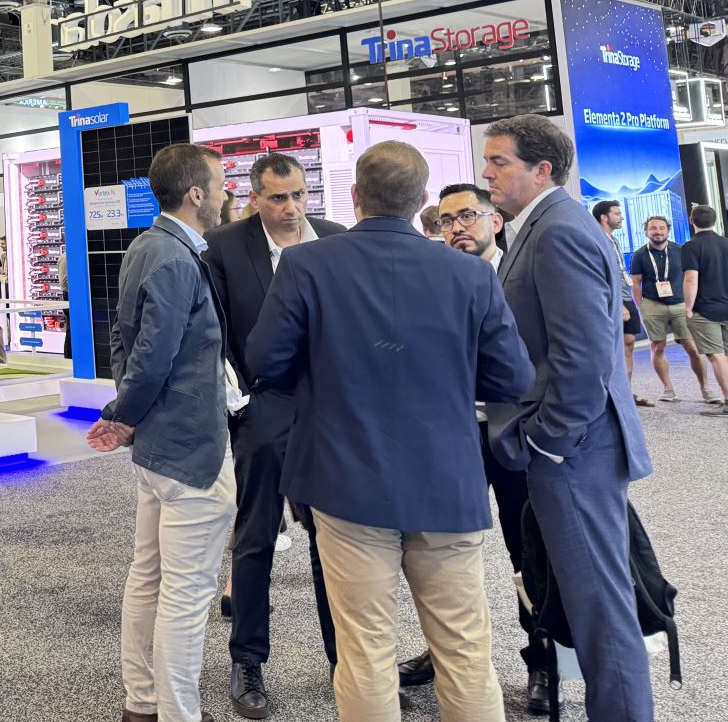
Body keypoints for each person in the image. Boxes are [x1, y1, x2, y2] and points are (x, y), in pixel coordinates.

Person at [249, 142, 534, 722]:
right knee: (464, 649)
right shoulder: (470, 274)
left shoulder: (306, 265)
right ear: (422, 199)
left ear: (356, 196)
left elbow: (265, 359)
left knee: (364, 650)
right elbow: (514, 378)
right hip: (446, 483)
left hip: (344, 480)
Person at [482, 114, 655, 721]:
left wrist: (548, 441)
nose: (486, 172)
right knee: (591, 604)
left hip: (576, 451)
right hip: (574, 447)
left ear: (542, 169)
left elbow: (582, 356)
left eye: (499, 161)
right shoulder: (545, 225)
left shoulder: (557, 231)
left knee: (600, 608)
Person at [85, 143, 235, 722]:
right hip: (189, 447)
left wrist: (128, 413)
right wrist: (124, 414)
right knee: (186, 594)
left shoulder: (148, 246)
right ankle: (176, 713)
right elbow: (152, 357)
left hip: (160, 445)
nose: (225, 194)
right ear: (196, 194)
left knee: (148, 576)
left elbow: (123, 340)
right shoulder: (175, 257)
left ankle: (143, 704)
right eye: (219, 184)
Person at [398, 184, 554, 713]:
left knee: (526, 550)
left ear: (495, 220)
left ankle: (542, 662)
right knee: (438, 552)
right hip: (451, 435)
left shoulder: (523, 276)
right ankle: (444, 652)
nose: (457, 227)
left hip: (513, 434)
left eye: (467, 215)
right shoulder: (434, 278)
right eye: (446, 220)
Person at [201, 152, 344, 718]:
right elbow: (216, 333)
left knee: (333, 540)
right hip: (264, 405)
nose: (291, 208)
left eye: (298, 195)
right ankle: (248, 661)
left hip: (331, 409)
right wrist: (243, 402)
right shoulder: (224, 246)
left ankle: (346, 662)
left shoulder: (334, 238)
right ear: (255, 197)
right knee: (255, 536)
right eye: (278, 197)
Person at [630, 214, 717, 404]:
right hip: (653, 304)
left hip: (680, 304)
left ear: (668, 230)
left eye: (662, 228)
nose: (658, 232)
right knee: (657, 346)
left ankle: (706, 389)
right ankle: (668, 389)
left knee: (693, 347)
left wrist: (693, 304)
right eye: (653, 228)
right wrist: (640, 307)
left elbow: (692, 277)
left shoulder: (682, 251)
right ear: (646, 232)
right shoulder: (639, 255)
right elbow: (636, 283)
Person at [593, 200, 651, 406]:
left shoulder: (614, 240)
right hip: (614, 301)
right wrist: (618, 304)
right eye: (617, 213)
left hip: (626, 296)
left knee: (629, 343)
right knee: (613, 348)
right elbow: (601, 275)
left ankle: (625, 392)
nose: (621, 217)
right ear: (604, 217)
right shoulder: (596, 240)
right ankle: (610, 394)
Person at [682, 203, 728, 413]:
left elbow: (691, 279)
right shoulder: (726, 243)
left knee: (716, 355)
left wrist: (688, 307)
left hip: (704, 310)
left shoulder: (690, 247)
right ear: (715, 220)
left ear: (691, 221)